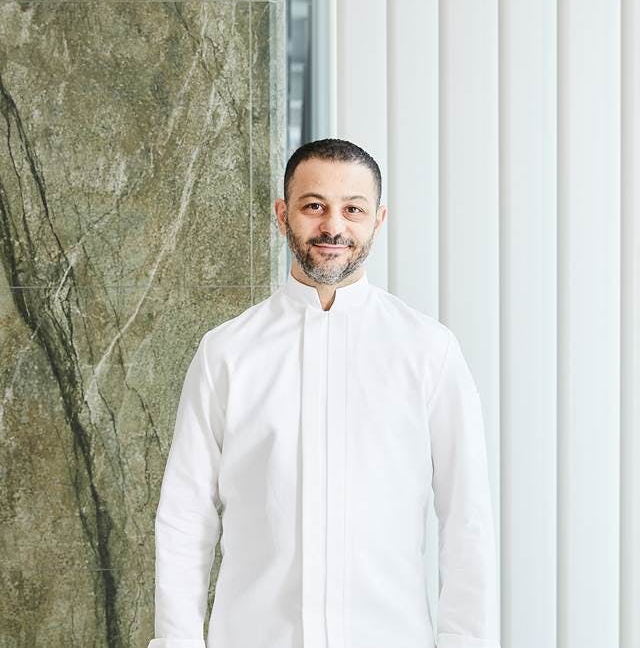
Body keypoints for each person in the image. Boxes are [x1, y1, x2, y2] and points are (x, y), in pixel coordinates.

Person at [148, 138, 501, 648]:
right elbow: (185, 515)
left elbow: (465, 514)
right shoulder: (226, 353)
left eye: (352, 209)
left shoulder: (428, 351)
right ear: (281, 214)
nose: (333, 226)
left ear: (378, 219)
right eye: (314, 206)